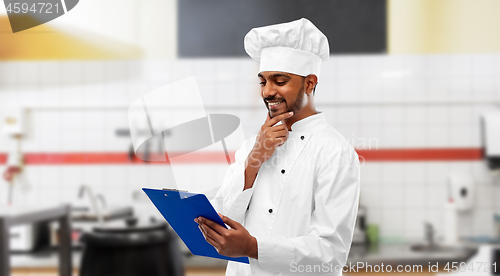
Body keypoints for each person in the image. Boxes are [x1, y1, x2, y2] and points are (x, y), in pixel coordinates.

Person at [195, 18, 360, 275]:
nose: (267, 92)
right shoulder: (253, 144)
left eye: (279, 81)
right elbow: (222, 217)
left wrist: (253, 247)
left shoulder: (335, 152)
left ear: (309, 83)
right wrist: (255, 160)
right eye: (263, 81)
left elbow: (331, 253)